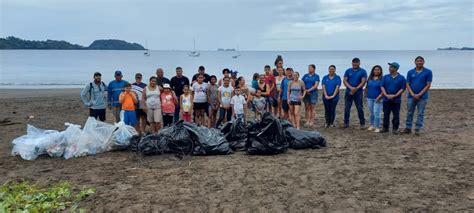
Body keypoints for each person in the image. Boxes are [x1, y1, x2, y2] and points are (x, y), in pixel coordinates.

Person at [402, 56, 433, 135]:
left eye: (421, 61)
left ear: (423, 62)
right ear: (415, 62)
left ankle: (417, 129)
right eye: (417, 61)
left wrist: (419, 94)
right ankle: (408, 128)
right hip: (411, 96)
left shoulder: (428, 72)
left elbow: (428, 85)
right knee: (409, 112)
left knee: (420, 113)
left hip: (422, 97)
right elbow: (407, 84)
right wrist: (412, 94)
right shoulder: (410, 72)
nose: (419, 62)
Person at [380, 62, 406, 134]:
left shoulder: (401, 78)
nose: (389, 68)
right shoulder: (385, 77)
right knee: (386, 114)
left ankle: (395, 129)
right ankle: (385, 128)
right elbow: (382, 86)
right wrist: (386, 95)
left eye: (391, 67)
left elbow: (402, 88)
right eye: (389, 67)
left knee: (396, 115)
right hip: (386, 99)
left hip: (396, 100)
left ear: (395, 68)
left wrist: (394, 96)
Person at [343, 57, 367, 129]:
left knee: (359, 108)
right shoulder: (348, 71)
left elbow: (363, 82)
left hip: (358, 93)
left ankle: (362, 124)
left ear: (359, 63)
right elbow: (345, 81)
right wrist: (351, 88)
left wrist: (355, 89)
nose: (355, 63)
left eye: (357, 62)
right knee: (347, 108)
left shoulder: (363, 71)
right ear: (352, 63)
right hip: (348, 92)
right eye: (354, 62)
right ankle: (346, 123)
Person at [365, 65, 384, 133]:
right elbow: (367, 88)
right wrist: (365, 95)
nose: (376, 71)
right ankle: (372, 125)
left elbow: (384, 89)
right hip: (369, 98)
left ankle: (377, 127)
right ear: (373, 70)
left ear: (380, 71)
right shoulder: (370, 78)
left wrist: (380, 96)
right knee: (371, 113)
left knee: (376, 113)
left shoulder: (382, 79)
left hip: (378, 98)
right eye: (375, 69)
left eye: (378, 70)